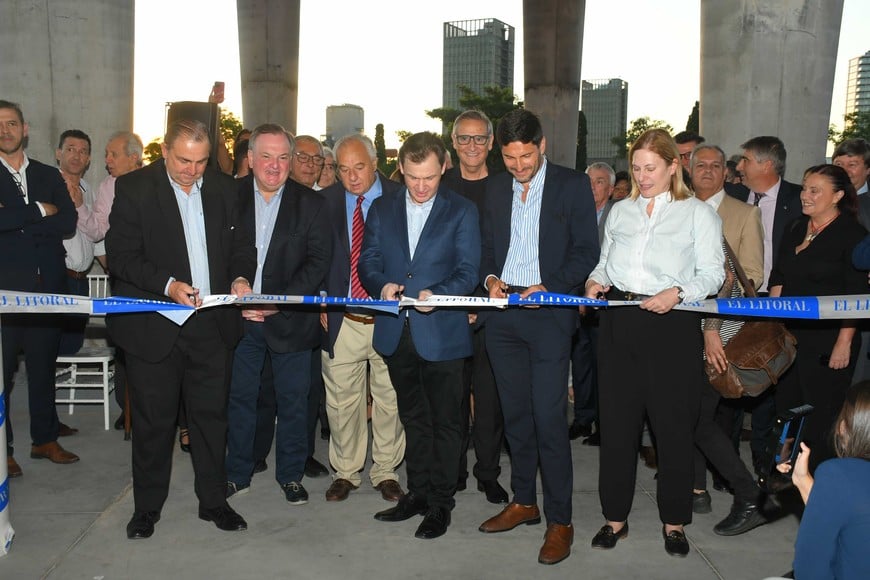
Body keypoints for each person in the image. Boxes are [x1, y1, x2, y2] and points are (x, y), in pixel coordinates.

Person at [105, 119, 256, 539]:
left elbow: (243, 246)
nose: (192, 170)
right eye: (184, 161)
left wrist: (242, 278)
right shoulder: (135, 189)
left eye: (201, 161)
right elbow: (121, 256)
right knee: (154, 423)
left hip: (212, 325)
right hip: (155, 327)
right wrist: (168, 285)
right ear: (165, 152)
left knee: (211, 420)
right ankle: (146, 510)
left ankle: (213, 503)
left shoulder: (225, 189)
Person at [584, 128, 724, 558]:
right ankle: (615, 519)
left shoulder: (697, 213)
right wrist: (594, 280)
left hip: (673, 328)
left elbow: (714, 274)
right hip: (619, 324)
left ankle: (675, 522)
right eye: (638, 168)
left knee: (673, 429)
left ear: (672, 166)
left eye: (651, 169)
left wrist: (678, 293)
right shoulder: (620, 212)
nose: (643, 177)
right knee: (618, 428)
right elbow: (606, 263)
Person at [477, 109, 599, 566]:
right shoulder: (493, 186)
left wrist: (551, 288)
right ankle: (524, 502)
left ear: (542, 145)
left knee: (549, 420)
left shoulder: (571, 185)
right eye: (509, 158)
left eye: (526, 156)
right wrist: (490, 279)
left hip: (550, 317)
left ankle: (560, 520)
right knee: (516, 418)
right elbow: (488, 245)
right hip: (503, 317)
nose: (519, 166)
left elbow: (587, 250)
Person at [359, 131, 480, 540]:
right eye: (413, 177)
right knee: (413, 419)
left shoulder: (462, 210)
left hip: (442, 332)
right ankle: (419, 493)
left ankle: (441, 504)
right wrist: (383, 286)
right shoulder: (381, 207)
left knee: (447, 423)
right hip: (398, 332)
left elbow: (469, 269)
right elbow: (369, 261)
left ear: (443, 166)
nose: (422, 186)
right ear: (402, 170)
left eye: (429, 176)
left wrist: (439, 295)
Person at [225, 124, 332, 505]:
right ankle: (236, 474)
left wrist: (277, 301)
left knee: (293, 402)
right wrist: (237, 287)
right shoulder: (226, 197)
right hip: (239, 321)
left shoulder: (313, 204)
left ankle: (290, 476)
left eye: (283, 157)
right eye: (266, 156)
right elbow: (217, 252)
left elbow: (318, 262)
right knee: (240, 399)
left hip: (290, 321)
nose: (275, 165)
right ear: (250, 159)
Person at [319, 133, 406, 503]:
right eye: (343, 169)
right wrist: (320, 300)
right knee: (341, 401)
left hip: (388, 318)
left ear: (375, 164)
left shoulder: (402, 199)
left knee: (390, 399)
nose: (352, 177)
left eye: (360, 168)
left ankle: (386, 470)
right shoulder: (322, 203)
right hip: (342, 318)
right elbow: (315, 255)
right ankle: (345, 472)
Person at [687, 143, 768, 535]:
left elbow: (751, 277)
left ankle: (748, 492)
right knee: (691, 415)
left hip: (719, 332)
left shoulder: (744, 214)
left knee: (699, 419)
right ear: (689, 170)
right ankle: (697, 489)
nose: (706, 171)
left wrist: (712, 329)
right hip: (680, 331)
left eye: (714, 165)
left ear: (726, 172)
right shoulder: (678, 208)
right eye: (699, 165)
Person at [768, 164, 866, 474]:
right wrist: (772, 324)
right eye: (804, 188)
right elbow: (779, 276)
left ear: (837, 195)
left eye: (815, 190)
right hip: (789, 339)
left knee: (821, 417)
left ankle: (817, 480)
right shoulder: (796, 227)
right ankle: (783, 474)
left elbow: (855, 297)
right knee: (786, 411)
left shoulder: (853, 236)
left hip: (829, 341)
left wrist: (844, 342)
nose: (805, 196)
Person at [1, 99, 79, 479]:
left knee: (43, 368)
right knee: (1, 376)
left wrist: (13, 221)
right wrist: (36, 211)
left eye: (12, 123)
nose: (5, 130)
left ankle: (45, 440)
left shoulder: (49, 174)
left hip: (47, 289)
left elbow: (68, 220)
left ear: (25, 128)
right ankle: (4, 451)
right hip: (5, 295)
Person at [720, 136, 803, 477]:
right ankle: (726, 461)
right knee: (734, 379)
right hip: (737, 300)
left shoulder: (798, 200)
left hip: (781, 302)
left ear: (767, 165)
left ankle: (763, 458)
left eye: (745, 161)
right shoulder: (734, 198)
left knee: (772, 382)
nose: (739, 167)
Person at [442, 109, 508, 504]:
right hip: (448, 309)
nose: (471, 146)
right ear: (453, 143)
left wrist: (482, 300)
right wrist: (456, 300)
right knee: (450, 399)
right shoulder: (440, 186)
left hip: (493, 307)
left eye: (479, 139)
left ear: (490, 144)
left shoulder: (505, 188)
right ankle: (453, 473)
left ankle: (488, 473)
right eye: (464, 139)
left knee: (490, 399)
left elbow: (509, 249)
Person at [74, 130, 143, 430]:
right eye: (105, 154)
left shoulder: (158, 181)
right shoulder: (108, 186)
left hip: (158, 279)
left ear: (134, 158)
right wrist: (78, 205)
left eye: (113, 155)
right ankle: (126, 407)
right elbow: (97, 230)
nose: (107, 161)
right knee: (125, 343)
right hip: (124, 278)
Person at [777, 381, 870, 579]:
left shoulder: (839, 474)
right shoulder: (844, 481)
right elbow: (854, 521)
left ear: (845, 427)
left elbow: (810, 569)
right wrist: (803, 481)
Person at [568, 161, 615, 445]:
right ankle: (583, 419)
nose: (592, 187)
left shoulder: (617, 216)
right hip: (575, 301)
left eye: (598, 182)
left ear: (610, 189)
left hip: (605, 304)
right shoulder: (575, 215)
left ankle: (604, 424)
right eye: (588, 181)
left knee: (604, 366)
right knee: (581, 362)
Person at [55, 129, 96, 358]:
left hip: (81, 280)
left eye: (83, 151)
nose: (76, 156)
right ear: (58, 153)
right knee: (50, 344)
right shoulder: (48, 185)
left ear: (88, 159)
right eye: (70, 149)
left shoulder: (88, 189)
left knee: (72, 344)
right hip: (57, 277)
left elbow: (93, 234)